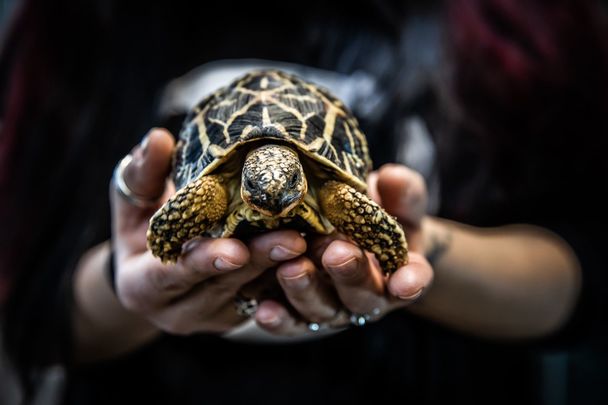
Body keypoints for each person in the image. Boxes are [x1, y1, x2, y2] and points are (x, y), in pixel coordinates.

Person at [1, 0, 607, 404]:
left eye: (282, 194)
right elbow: (28, 313)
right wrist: (132, 285)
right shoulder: (86, 22)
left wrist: (418, 257)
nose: (270, 207)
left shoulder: (512, 23)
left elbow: (586, 273)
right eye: (261, 195)